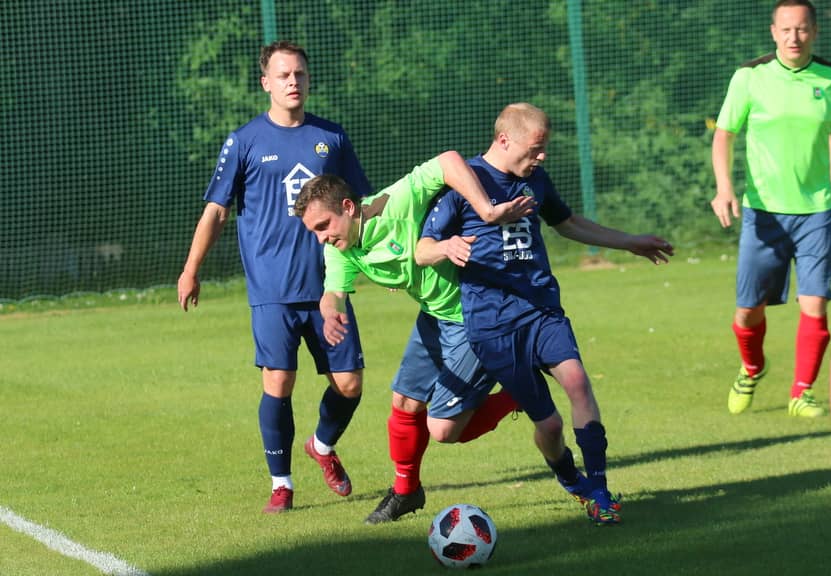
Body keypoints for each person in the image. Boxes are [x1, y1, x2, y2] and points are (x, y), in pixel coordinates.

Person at [418, 103, 674, 525]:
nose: (542, 156)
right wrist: (445, 247)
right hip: (492, 326)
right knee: (550, 427)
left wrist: (629, 242)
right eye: (535, 149)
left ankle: (600, 490)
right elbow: (422, 249)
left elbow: (567, 222)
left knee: (577, 382)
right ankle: (574, 482)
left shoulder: (535, 179)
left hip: (540, 309)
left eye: (544, 148)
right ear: (504, 140)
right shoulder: (466, 182)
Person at [177, 41, 372, 514]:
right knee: (279, 381)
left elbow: (362, 206)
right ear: (266, 82)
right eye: (283, 75)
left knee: (350, 384)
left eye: (299, 74)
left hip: (328, 285)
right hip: (272, 288)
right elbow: (217, 211)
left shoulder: (331, 137)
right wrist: (191, 269)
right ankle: (281, 485)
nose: (293, 82)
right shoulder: (244, 141)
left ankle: (321, 446)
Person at [292, 151, 534, 524]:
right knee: (404, 402)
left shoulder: (397, 201)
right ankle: (406, 492)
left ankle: (522, 392)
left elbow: (449, 161)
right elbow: (333, 293)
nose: (321, 237)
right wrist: (330, 312)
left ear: (348, 207)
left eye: (323, 225)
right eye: (314, 232)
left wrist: (486, 210)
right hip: (434, 315)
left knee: (445, 430)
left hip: (476, 316)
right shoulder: (340, 248)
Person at [710, 0, 831, 419]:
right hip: (764, 213)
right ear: (773, 32)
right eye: (786, 29)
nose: (795, 37)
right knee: (748, 311)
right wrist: (725, 188)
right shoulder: (750, 78)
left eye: (803, 28)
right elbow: (724, 135)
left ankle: (802, 392)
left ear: (815, 31)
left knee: (815, 304)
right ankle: (752, 367)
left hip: (816, 211)